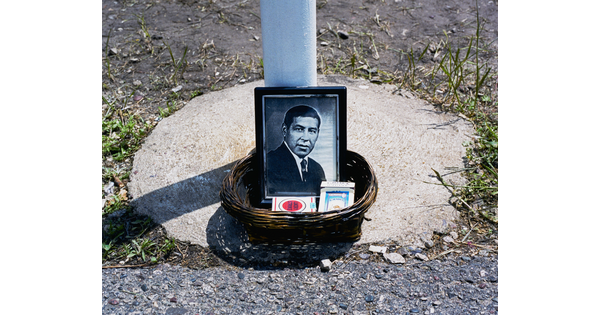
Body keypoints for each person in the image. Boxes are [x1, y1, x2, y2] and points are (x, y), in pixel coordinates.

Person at [266, 105, 326, 195]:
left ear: (318, 133)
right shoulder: (269, 163)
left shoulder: (317, 169)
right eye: (299, 129)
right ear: (285, 130)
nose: (305, 138)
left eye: (312, 131)